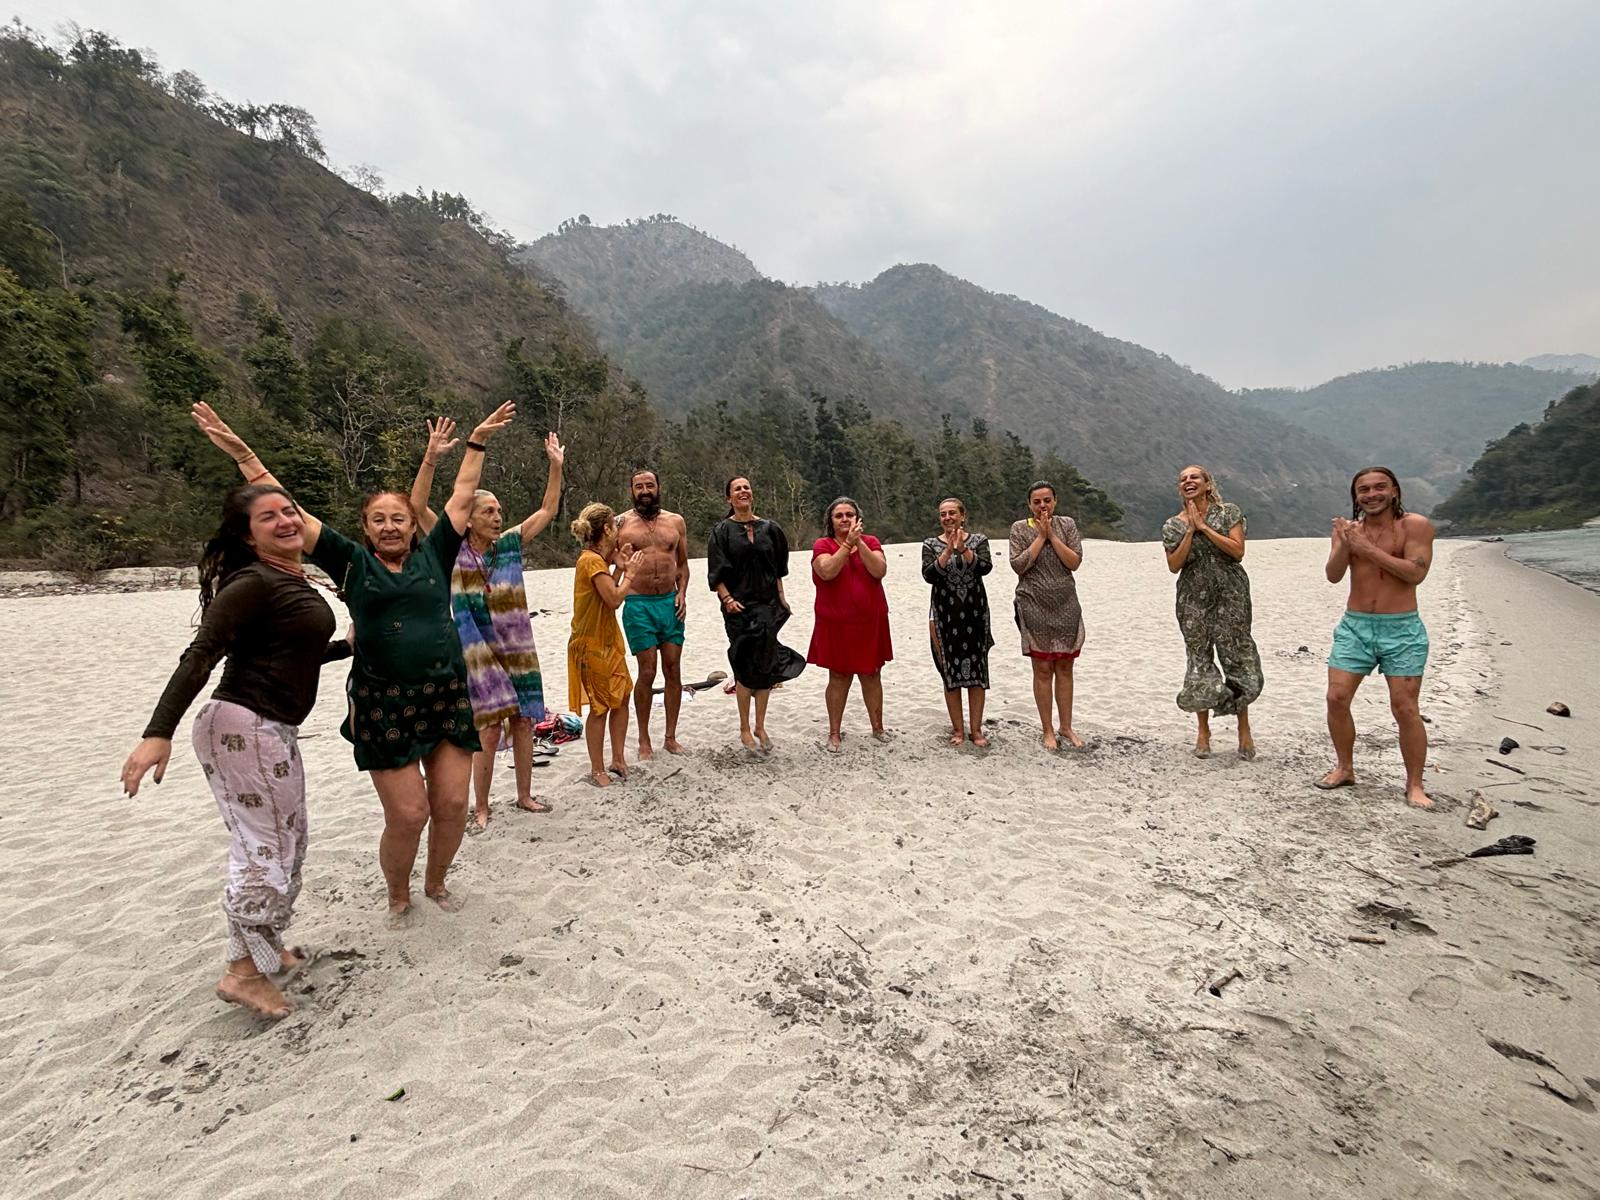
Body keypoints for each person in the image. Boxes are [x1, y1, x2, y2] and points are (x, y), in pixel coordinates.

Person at [190, 399, 515, 924]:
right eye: (378, 520)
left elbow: (459, 495)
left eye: (399, 520)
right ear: (365, 528)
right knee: (410, 814)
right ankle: (398, 894)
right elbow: (289, 511)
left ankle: (435, 882)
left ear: (414, 526)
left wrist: (476, 441)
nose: (390, 527)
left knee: (452, 805)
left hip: (446, 695)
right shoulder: (352, 561)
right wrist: (246, 455)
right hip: (383, 703)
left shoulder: (436, 554)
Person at [120, 483, 352, 1018]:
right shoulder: (253, 582)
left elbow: (287, 655)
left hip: (269, 728)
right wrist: (159, 731)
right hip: (244, 727)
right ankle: (243, 975)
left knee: (284, 843)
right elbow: (201, 653)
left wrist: (345, 647)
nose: (284, 521)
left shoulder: (285, 577)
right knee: (265, 850)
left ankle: (260, 952)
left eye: (289, 511)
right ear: (249, 535)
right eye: (267, 517)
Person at [410, 418, 566, 828]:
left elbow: (548, 509)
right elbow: (417, 507)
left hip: (517, 647)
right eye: (489, 511)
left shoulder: (511, 544)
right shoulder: (452, 547)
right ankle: (481, 806)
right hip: (476, 650)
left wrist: (556, 465)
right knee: (489, 727)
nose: (498, 517)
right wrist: (430, 458)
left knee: (524, 719)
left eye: (499, 511)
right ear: (469, 516)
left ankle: (525, 796)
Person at [1318, 466, 1436, 808]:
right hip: (1355, 626)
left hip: (1401, 628)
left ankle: (1415, 784)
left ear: (1395, 490)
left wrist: (1366, 549)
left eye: (1379, 487)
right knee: (1336, 698)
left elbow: (1415, 573)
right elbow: (1334, 575)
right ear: (1355, 496)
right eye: (1363, 490)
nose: (1371, 494)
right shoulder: (1351, 531)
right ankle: (1345, 768)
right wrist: (1345, 543)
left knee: (1405, 707)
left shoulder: (1415, 525)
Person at [1162, 466, 1262, 760]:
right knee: (1199, 660)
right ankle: (1203, 731)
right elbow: (1174, 564)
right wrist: (1191, 531)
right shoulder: (1173, 525)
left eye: (1194, 477)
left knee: (1236, 656)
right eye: (1183, 479)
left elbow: (1237, 551)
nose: (1188, 481)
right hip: (1193, 597)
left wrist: (1204, 528)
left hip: (1231, 593)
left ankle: (1244, 728)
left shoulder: (1228, 512)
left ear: (1208, 484)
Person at [707, 476, 806, 752]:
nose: (743, 491)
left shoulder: (770, 528)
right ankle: (744, 727)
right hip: (737, 608)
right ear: (729, 498)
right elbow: (716, 572)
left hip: (767, 606)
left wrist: (782, 598)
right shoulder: (721, 531)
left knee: (766, 667)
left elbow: (777, 568)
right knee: (744, 668)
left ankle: (760, 725)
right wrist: (726, 599)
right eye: (737, 489)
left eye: (747, 487)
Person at [615, 469, 691, 759]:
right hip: (638, 605)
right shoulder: (620, 523)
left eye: (649, 485)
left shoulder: (675, 522)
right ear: (631, 490)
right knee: (647, 671)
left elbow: (682, 564)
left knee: (673, 669)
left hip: (670, 604)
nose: (644, 490)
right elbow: (611, 560)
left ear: (658, 487)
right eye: (638, 486)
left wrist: (682, 593)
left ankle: (670, 737)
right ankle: (644, 739)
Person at [568, 502, 644, 786]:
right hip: (591, 644)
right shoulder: (589, 560)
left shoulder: (599, 561)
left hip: (607, 640)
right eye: (616, 525)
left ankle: (618, 758)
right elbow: (613, 599)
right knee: (599, 707)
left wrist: (619, 568)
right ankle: (597, 768)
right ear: (608, 529)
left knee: (622, 697)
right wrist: (630, 573)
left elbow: (606, 598)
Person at [809, 497, 893, 752]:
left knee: (872, 673)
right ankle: (834, 732)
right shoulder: (822, 545)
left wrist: (859, 544)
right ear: (831, 521)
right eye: (839, 515)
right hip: (836, 623)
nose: (845, 519)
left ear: (858, 518)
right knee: (839, 676)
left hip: (870, 620)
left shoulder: (871, 542)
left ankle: (877, 727)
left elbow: (879, 570)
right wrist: (847, 545)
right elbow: (827, 571)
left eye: (849, 514)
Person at [1009, 481, 1087, 750]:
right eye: (1036, 502)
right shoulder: (1020, 528)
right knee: (1042, 668)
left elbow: (1074, 562)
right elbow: (1018, 564)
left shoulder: (1067, 525)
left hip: (1066, 603)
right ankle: (1047, 729)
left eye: (1047, 500)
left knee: (1065, 666)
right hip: (1033, 603)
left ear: (1055, 500)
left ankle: (1066, 726)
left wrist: (1052, 535)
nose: (1042, 505)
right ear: (1029, 505)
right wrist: (1040, 537)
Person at [922, 497, 994, 748]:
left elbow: (984, 567)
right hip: (944, 615)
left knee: (977, 673)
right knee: (949, 673)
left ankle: (976, 730)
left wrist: (963, 549)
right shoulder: (930, 544)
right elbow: (929, 575)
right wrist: (948, 551)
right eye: (943, 514)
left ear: (963, 515)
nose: (947, 518)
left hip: (975, 614)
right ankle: (957, 729)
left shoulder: (979, 540)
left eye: (952, 513)